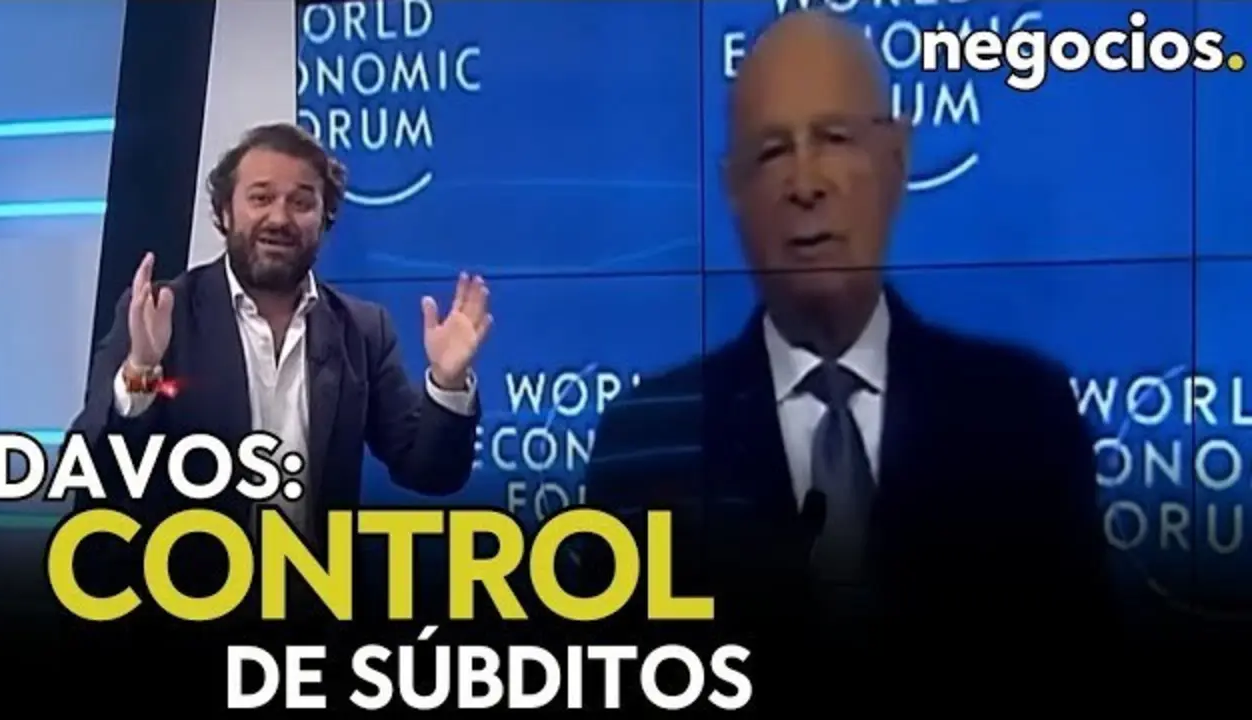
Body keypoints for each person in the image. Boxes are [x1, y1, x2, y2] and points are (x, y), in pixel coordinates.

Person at [579, 10, 1112, 672]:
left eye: (833, 138)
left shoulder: (1022, 418)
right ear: (734, 190)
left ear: (896, 160)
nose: (806, 184)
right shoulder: (647, 441)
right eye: (772, 152)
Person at [69, 122, 491, 614]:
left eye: (301, 202)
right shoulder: (161, 313)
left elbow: (431, 471)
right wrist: (142, 369)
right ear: (225, 212)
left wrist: (447, 382)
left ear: (324, 218)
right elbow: (95, 473)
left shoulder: (361, 330)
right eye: (261, 198)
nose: (279, 218)